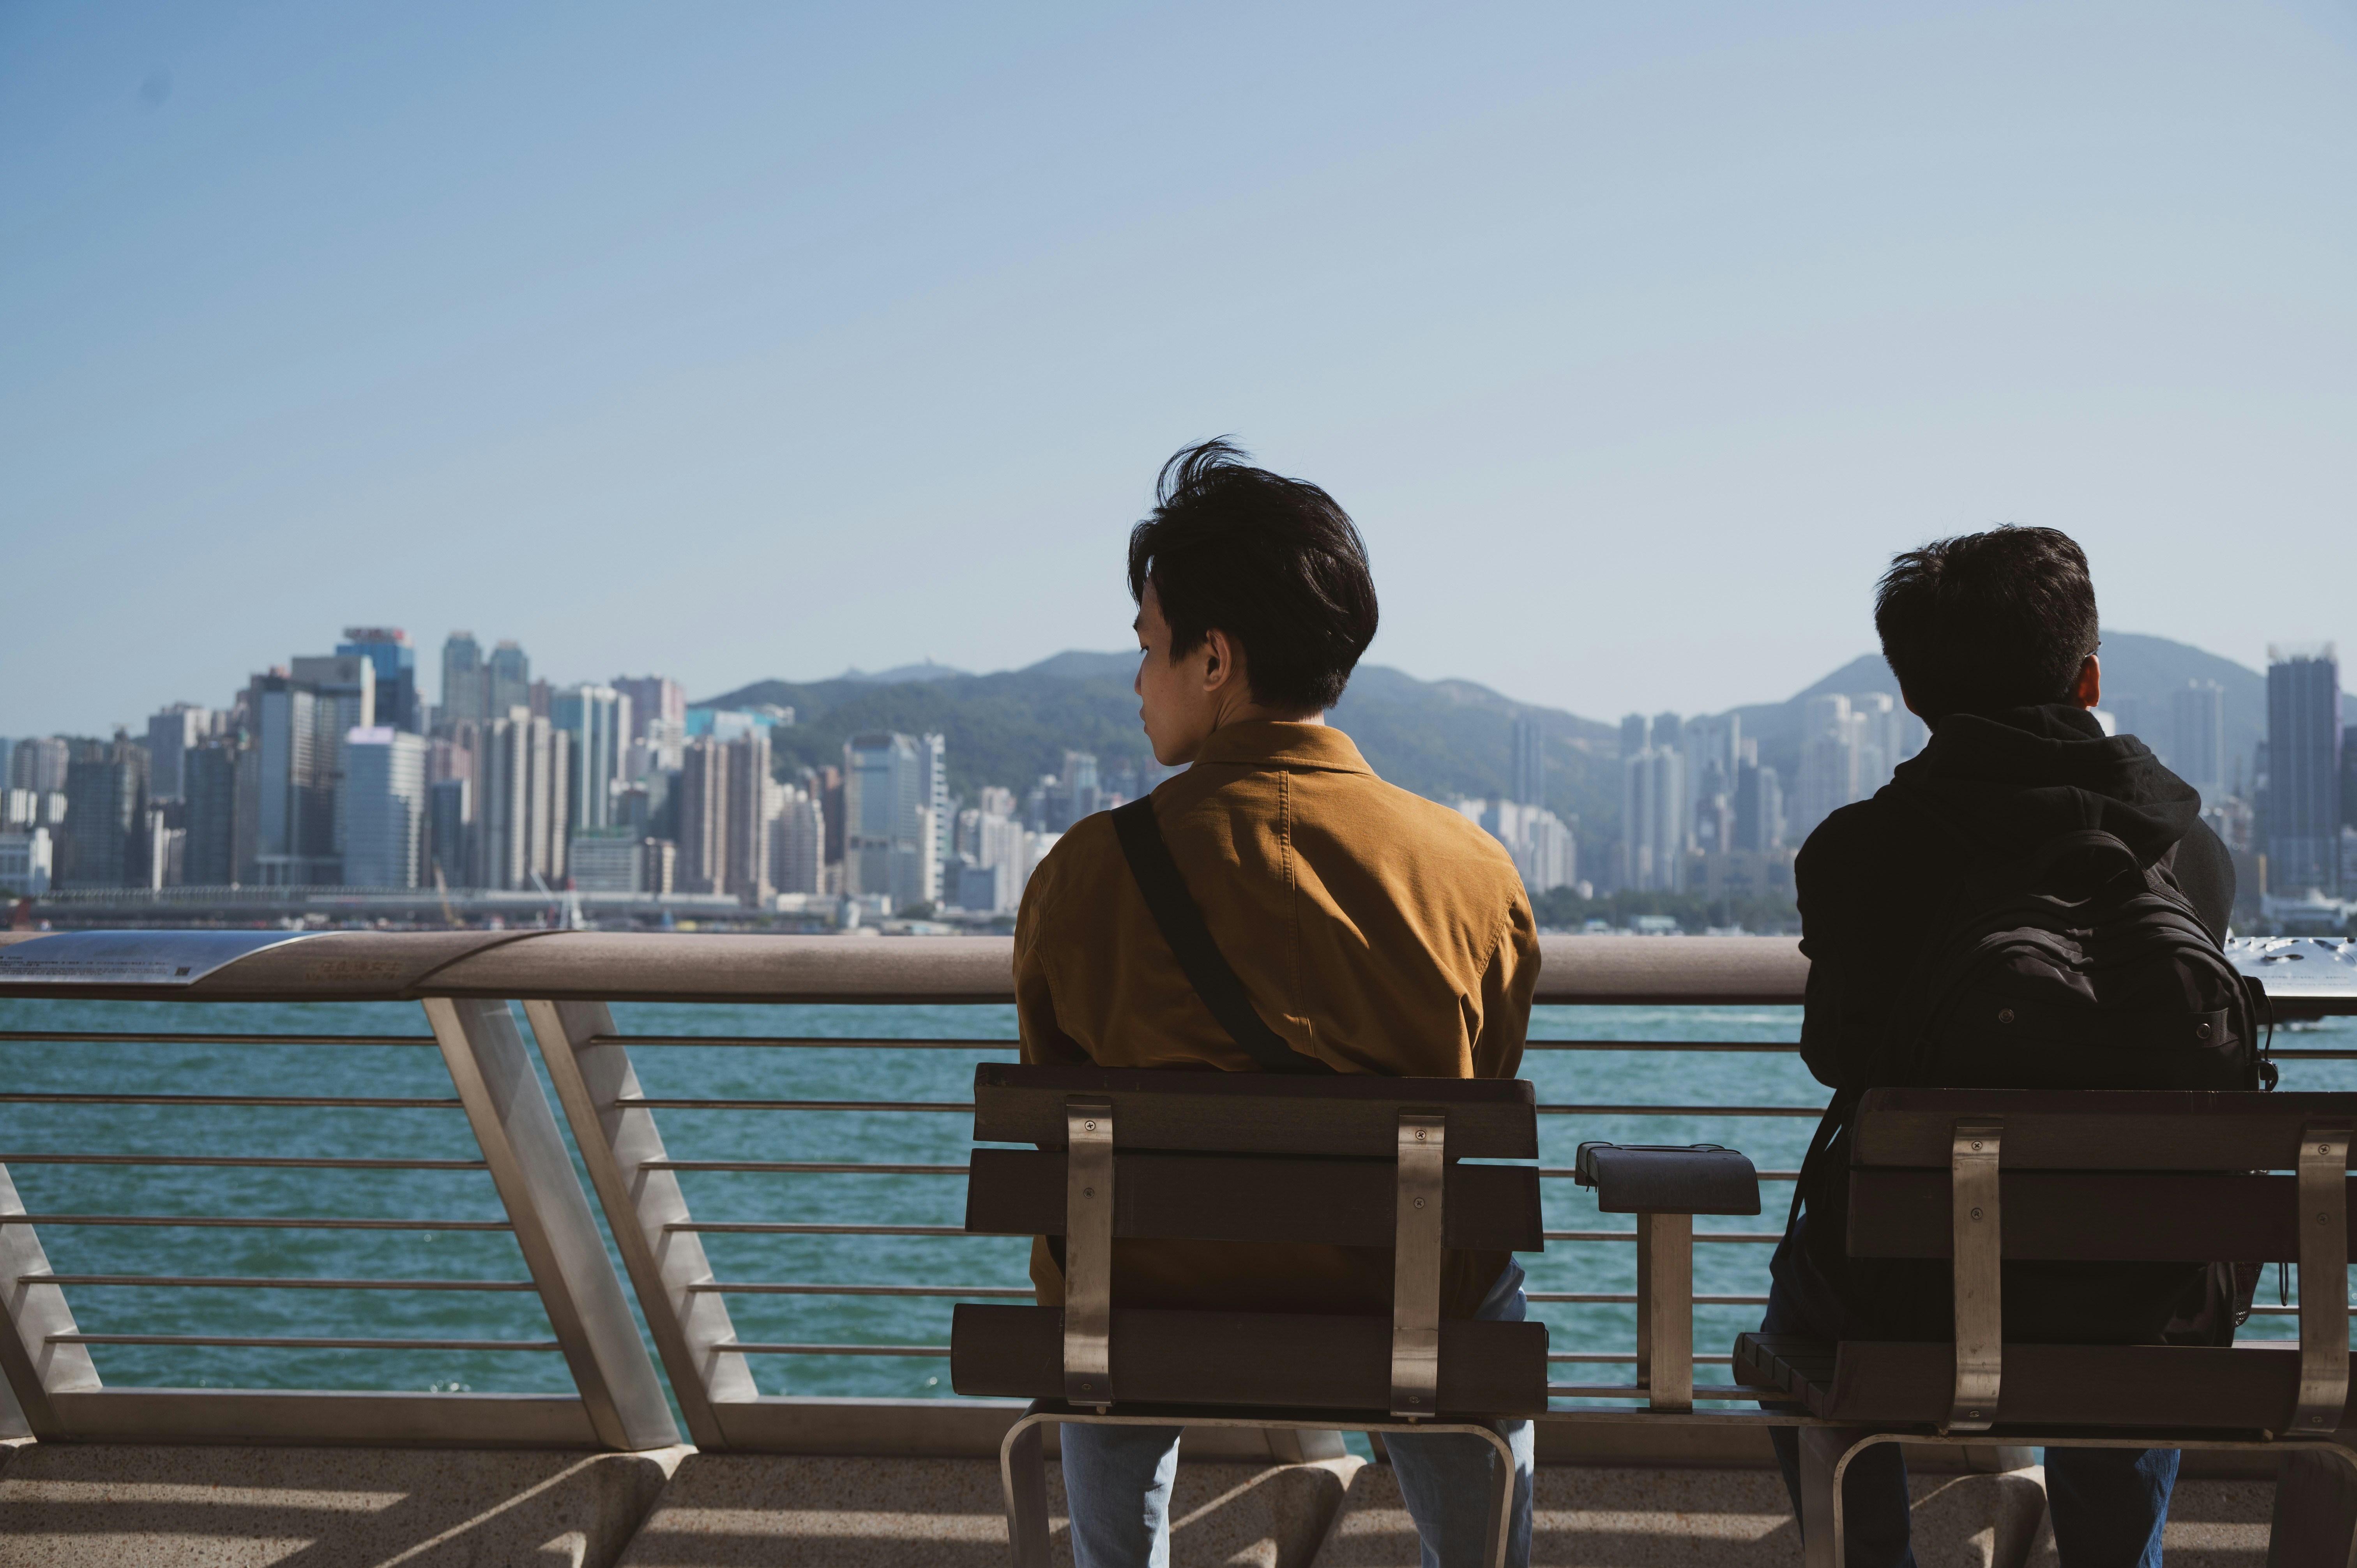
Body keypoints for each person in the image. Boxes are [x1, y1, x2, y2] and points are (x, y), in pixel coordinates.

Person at [1013, 439, 1541, 1568]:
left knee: (1095, 1279)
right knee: (1467, 1281)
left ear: (1216, 658)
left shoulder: (1082, 876)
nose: (1138, 680)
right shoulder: (1473, 874)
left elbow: (1061, 1126)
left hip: (1145, 1321)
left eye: (1150, 648)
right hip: (1401, 1320)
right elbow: (1481, 1086)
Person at [1764, 526, 2236, 1567]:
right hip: (2144, 1301)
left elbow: (1839, 1053)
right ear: (2089, 676)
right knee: (2126, 1285)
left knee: (1806, 1307)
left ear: (1913, 695)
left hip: (1909, 1295)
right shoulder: (2193, 852)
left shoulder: (1859, 851)